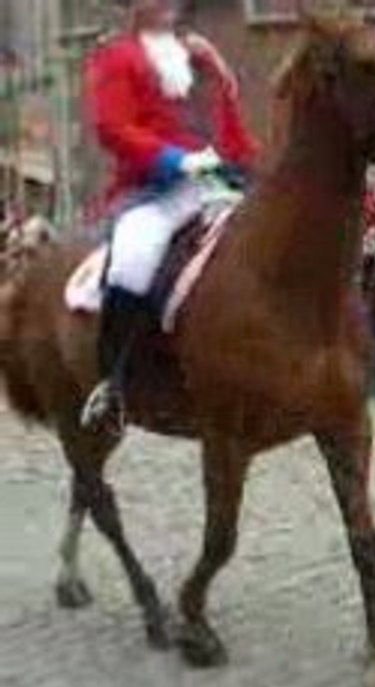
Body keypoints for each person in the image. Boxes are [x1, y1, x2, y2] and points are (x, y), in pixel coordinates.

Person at [80, 0, 257, 430]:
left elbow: (230, 125)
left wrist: (244, 160)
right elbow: (113, 128)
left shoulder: (199, 56)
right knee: (133, 262)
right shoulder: (116, 56)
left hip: (213, 187)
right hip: (152, 190)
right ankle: (112, 383)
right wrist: (174, 160)